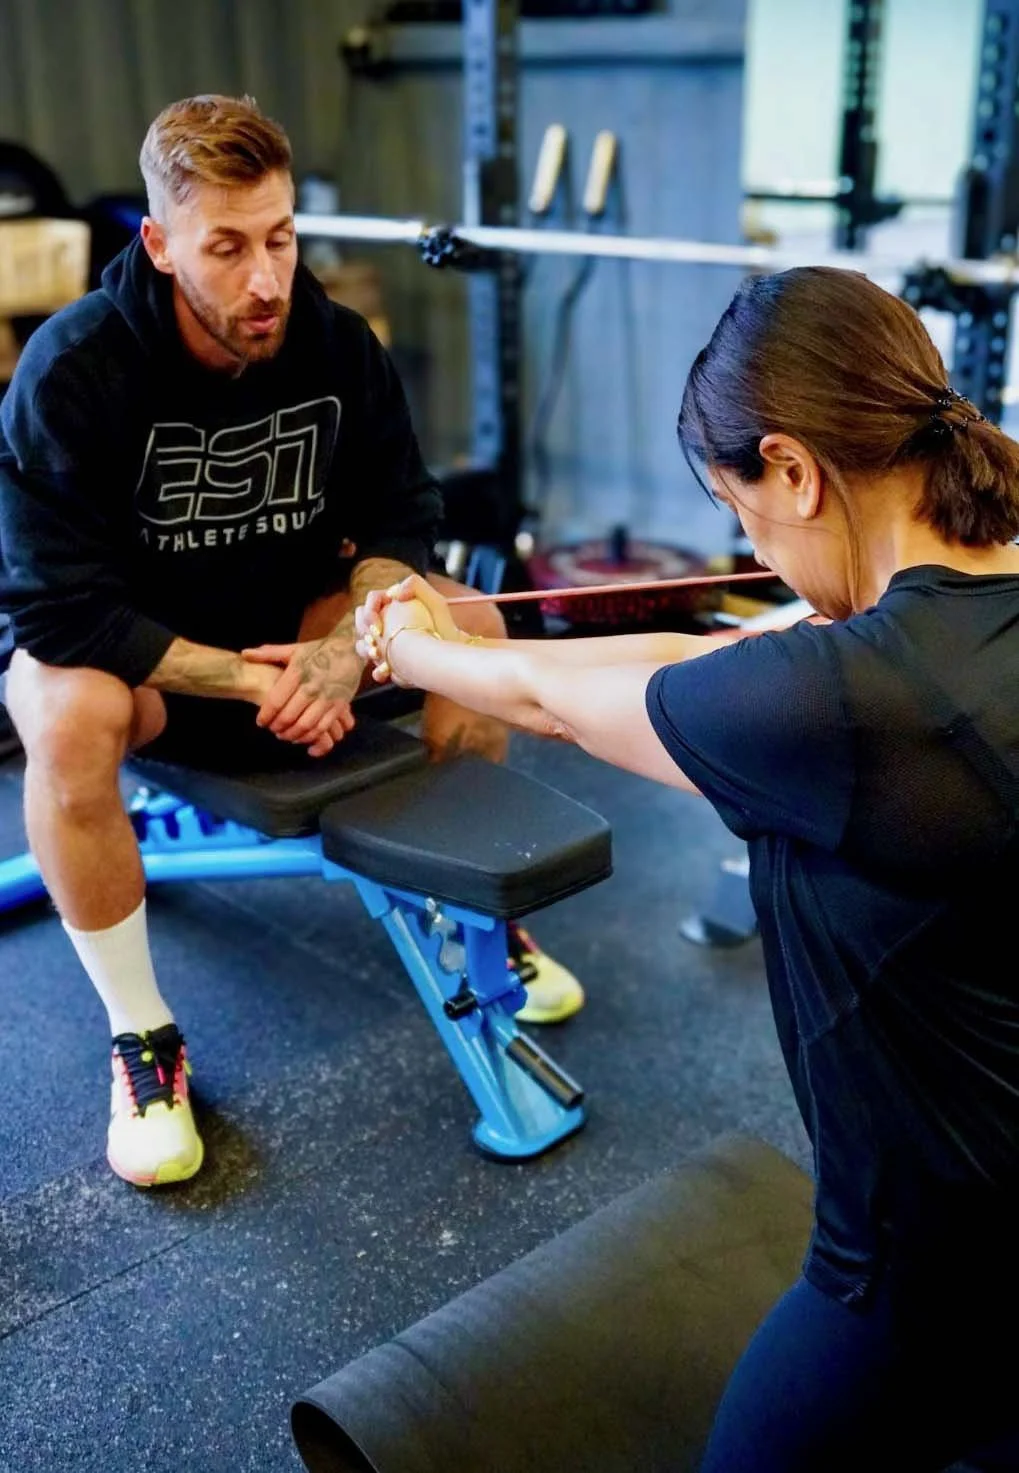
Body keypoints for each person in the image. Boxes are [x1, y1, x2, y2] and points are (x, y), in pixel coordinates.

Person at [356, 267, 1019, 1471]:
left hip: (932, 1267)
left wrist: (406, 646)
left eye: (738, 511)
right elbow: (716, 659)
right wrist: (473, 632)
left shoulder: (851, 699)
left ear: (793, 470)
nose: (750, 547)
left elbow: (550, 704)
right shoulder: (961, 605)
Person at [0, 94, 583, 1192]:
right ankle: (141, 1038)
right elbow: (54, 608)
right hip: (148, 661)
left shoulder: (334, 344)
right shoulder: (74, 370)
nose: (265, 278)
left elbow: (401, 521)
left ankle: (476, 923)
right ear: (160, 244)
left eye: (278, 238)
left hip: (298, 626)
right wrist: (244, 679)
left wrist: (345, 649)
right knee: (67, 711)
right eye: (227, 248)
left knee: (473, 625)